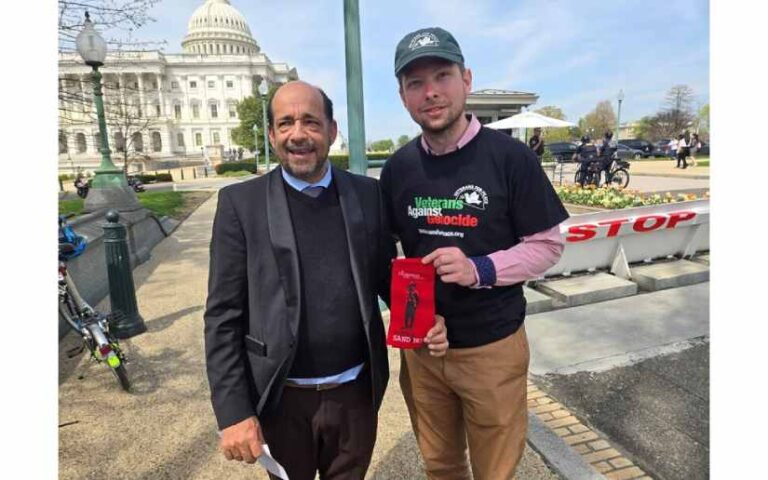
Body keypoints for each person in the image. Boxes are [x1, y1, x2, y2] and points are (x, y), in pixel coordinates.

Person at [204, 81, 448, 480]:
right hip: (282, 399)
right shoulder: (239, 205)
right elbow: (222, 318)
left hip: (355, 394)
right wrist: (234, 414)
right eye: (285, 123)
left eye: (310, 122)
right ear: (271, 134)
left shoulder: (367, 194)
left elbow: (386, 275)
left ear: (332, 131)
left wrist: (425, 320)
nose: (298, 134)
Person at [381, 27, 569, 479]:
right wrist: (416, 319)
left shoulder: (511, 159)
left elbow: (548, 245)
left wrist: (479, 268)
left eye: (441, 76)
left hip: (493, 348)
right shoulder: (399, 168)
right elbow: (387, 256)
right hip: (424, 352)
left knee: (495, 471)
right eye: (415, 83)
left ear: (466, 79)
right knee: (440, 465)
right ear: (403, 96)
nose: (430, 93)